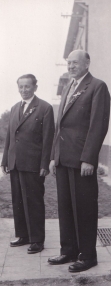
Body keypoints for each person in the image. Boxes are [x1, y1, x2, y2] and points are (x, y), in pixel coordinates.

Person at [48, 50, 110, 272]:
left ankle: (87, 255)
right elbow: (60, 126)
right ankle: (69, 251)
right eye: (68, 63)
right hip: (63, 158)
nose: (71, 66)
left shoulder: (97, 86)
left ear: (87, 63)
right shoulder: (68, 87)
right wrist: (55, 156)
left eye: (75, 62)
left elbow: (98, 125)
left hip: (82, 159)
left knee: (84, 208)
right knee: (65, 207)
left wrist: (89, 158)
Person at [1, 74, 55, 254]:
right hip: (15, 163)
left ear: (35, 87)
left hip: (33, 164)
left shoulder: (44, 108)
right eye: (21, 87)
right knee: (17, 201)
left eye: (27, 87)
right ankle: (23, 235)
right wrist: (5, 160)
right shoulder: (15, 107)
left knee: (34, 202)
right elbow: (10, 136)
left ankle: (37, 240)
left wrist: (44, 164)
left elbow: (48, 139)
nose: (24, 90)